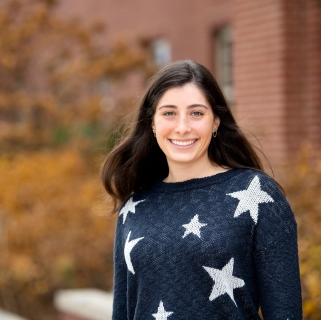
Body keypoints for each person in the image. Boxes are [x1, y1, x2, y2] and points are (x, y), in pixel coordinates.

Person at [101, 60, 302, 319]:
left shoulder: (257, 194)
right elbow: (123, 312)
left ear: (216, 121)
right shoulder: (133, 208)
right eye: (169, 113)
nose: (182, 127)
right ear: (152, 123)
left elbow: (285, 312)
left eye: (196, 113)